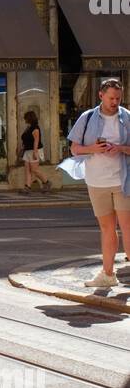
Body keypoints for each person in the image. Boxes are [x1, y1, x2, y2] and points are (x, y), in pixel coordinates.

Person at [59, 77, 130, 290]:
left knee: (127, 227)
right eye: (111, 98)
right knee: (107, 229)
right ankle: (108, 275)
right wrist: (94, 149)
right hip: (96, 181)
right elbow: (74, 149)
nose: (115, 102)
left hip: (122, 180)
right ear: (101, 95)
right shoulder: (87, 117)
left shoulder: (126, 117)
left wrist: (120, 148)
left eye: (118, 98)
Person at [18, 109, 51, 193]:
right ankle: (27, 187)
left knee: (34, 170)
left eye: (25, 118)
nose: (24, 119)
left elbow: (36, 141)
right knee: (27, 170)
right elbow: (25, 139)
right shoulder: (28, 128)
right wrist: (23, 148)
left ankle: (46, 182)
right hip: (27, 151)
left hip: (34, 151)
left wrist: (35, 152)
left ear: (29, 118)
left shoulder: (35, 128)